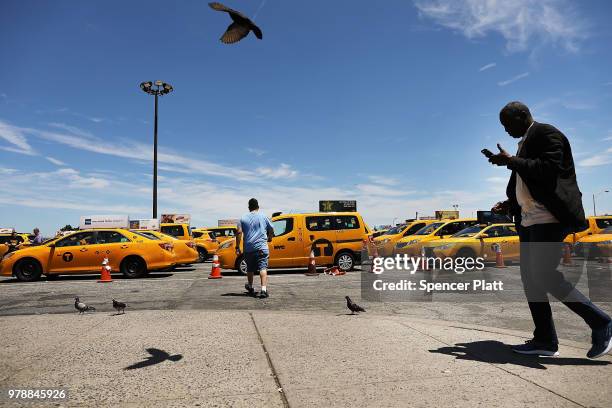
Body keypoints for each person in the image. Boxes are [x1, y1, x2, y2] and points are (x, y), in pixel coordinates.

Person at [489, 101, 612, 359]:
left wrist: (511, 161)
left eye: (508, 124)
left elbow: (549, 171)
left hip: (550, 218)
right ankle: (544, 340)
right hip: (529, 220)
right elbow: (529, 182)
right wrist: (511, 202)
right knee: (531, 280)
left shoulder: (547, 133)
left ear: (522, 116)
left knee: (544, 275)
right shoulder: (524, 142)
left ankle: (602, 323)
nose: (507, 130)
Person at [236, 198, 274, 298]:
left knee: (250, 268)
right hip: (261, 247)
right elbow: (271, 228)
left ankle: (250, 286)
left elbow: (239, 232)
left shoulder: (243, 218)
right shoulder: (263, 216)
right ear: (258, 206)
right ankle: (263, 290)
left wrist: (237, 246)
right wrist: (270, 237)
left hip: (249, 248)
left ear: (249, 207)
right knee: (262, 267)